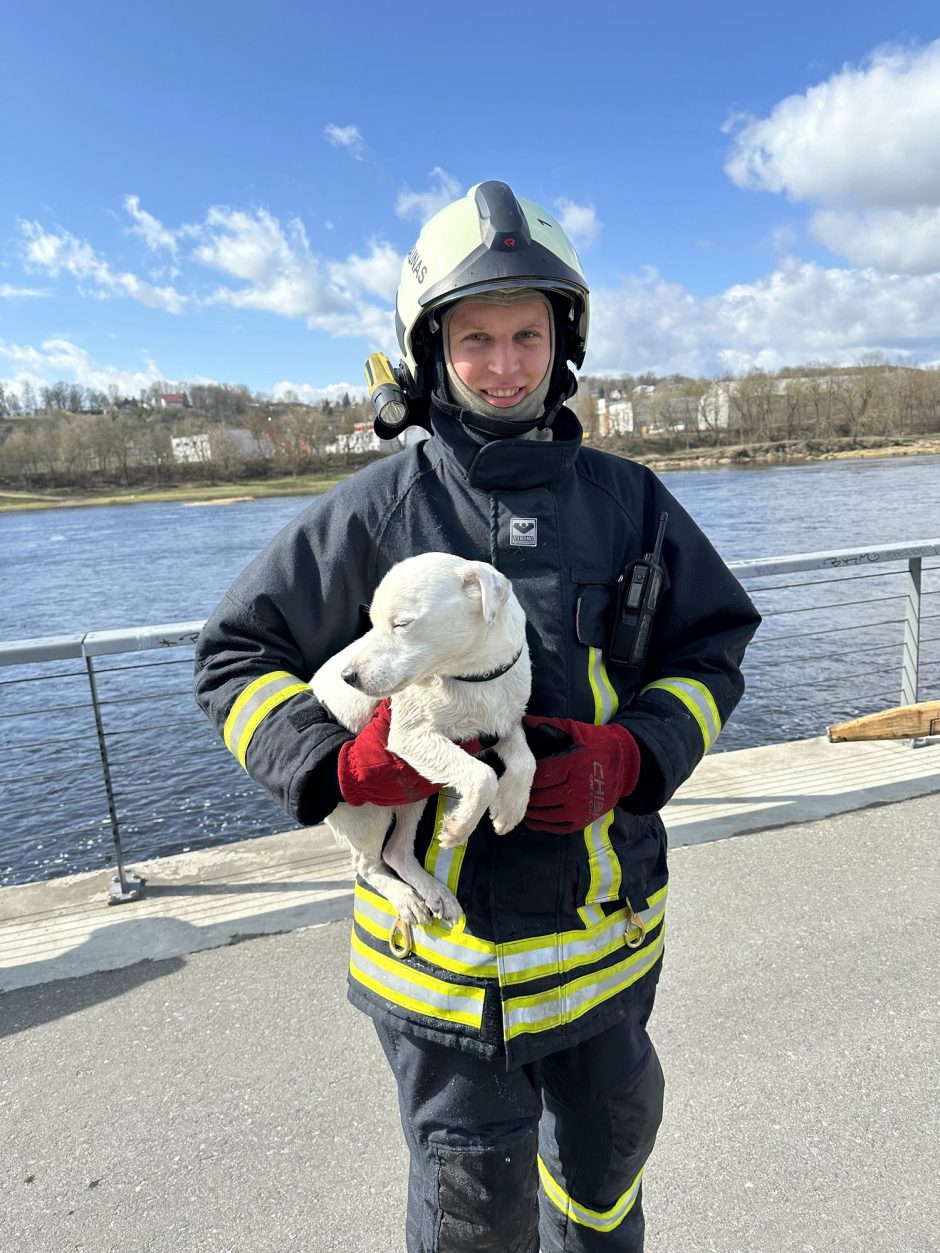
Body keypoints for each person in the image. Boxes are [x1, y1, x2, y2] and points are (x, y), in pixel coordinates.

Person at [194, 181, 760, 1252]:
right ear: (430, 353)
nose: (503, 364)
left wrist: (632, 754)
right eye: (475, 339)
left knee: (602, 1186)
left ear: (563, 341)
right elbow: (233, 654)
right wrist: (332, 766)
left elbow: (711, 649)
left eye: (525, 335)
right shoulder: (373, 511)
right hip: (444, 986)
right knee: (473, 1221)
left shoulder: (631, 500)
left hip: (605, 951)